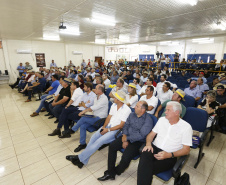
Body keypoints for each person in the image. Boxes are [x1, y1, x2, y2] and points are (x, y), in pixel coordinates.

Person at [66, 90, 131, 168]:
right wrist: (104, 127)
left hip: (116, 131)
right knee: (93, 138)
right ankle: (83, 161)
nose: (113, 98)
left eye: (115, 97)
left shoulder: (127, 110)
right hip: (108, 126)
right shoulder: (114, 105)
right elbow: (109, 117)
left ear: (119, 100)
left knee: (99, 141)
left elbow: (121, 125)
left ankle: (79, 157)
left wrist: (108, 130)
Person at [137, 101, 192, 185]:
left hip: (170, 155)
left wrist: (169, 155)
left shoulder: (186, 127)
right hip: (154, 148)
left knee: (144, 168)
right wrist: (148, 144)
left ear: (177, 113)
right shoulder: (162, 120)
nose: (165, 112)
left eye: (168, 110)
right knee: (145, 158)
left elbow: (186, 150)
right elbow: (151, 135)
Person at [98, 101, 153, 181]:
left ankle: (116, 171)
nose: (134, 107)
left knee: (126, 157)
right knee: (112, 146)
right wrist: (124, 136)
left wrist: (127, 139)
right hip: (126, 136)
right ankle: (110, 172)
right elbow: (126, 125)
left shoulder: (148, 120)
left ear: (143, 110)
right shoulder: (132, 114)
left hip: (138, 142)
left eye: (137, 106)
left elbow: (141, 135)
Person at [71, 84, 109, 152]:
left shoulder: (104, 98)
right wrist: (86, 109)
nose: (94, 89)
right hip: (94, 116)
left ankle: (73, 130)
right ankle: (82, 144)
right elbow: (91, 107)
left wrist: (84, 111)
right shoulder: (96, 97)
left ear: (100, 90)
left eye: (96, 89)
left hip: (100, 119)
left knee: (83, 118)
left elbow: (94, 107)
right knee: (83, 126)